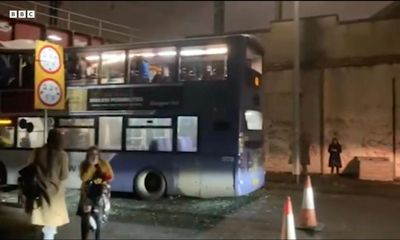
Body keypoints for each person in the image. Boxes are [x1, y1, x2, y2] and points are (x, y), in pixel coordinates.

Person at [29, 129, 69, 240]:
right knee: (51, 225)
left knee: (45, 221)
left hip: (40, 191)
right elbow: (64, 176)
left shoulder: (37, 151)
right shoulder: (62, 155)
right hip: (55, 193)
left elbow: (29, 167)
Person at [77, 146, 113, 240]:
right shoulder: (84, 164)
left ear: (99, 155)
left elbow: (111, 177)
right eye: (91, 154)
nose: (94, 156)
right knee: (85, 218)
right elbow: (84, 178)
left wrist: (101, 179)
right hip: (87, 193)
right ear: (87, 155)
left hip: (100, 194)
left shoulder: (104, 163)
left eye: (96, 154)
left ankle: (98, 237)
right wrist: (91, 166)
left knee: (98, 217)